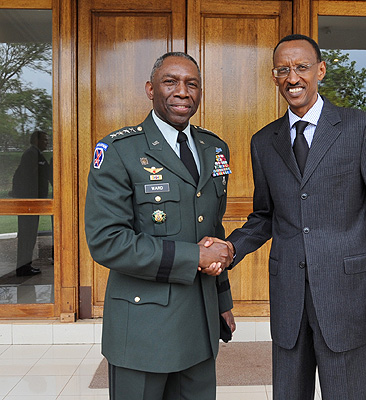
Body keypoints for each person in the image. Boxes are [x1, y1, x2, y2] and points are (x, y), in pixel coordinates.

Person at [205, 34, 366, 399]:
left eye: (301, 67)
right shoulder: (263, 141)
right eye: (283, 70)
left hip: (344, 298)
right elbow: (266, 216)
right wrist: (230, 249)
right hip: (288, 298)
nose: (293, 78)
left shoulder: (360, 128)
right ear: (274, 77)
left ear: (320, 70)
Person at [84, 52, 235, 400]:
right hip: (142, 329)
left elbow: (212, 229)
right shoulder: (119, 150)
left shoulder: (215, 149)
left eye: (192, 84)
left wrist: (223, 301)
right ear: (151, 89)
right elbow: (108, 241)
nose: (183, 91)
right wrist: (193, 256)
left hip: (200, 323)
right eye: (171, 82)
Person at [12, 130, 52, 276]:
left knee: (30, 236)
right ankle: (23, 268)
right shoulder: (30, 155)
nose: (47, 142)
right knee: (26, 236)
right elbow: (23, 178)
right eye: (45, 140)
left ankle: (25, 266)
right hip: (28, 205)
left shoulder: (37, 155)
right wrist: (26, 199)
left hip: (33, 204)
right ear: (36, 140)